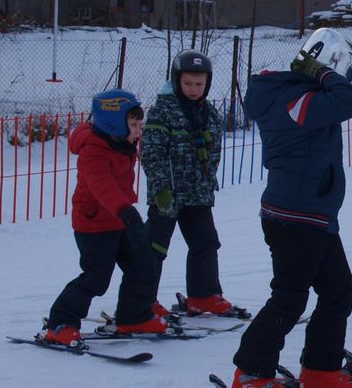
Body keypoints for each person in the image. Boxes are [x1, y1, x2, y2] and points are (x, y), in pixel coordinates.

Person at [228, 29, 352, 388]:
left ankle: (320, 370)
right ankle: (250, 376)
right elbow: (349, 101)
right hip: (295, 216)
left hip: (314, 213)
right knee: (289, 298)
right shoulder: (296, 99)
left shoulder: (296, 95)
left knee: (339, 290)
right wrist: (325, 74)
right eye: (345, 69)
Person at [41, 90, 167, 347]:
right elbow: (103, 187)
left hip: (119, 220)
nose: (138, 131)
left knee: (144, 264)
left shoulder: (121, 142)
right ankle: (60, 323)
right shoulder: (94, 150)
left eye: (139, 125)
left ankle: (134, 317)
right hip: (94, 224)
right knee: (96, 278)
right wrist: (129, 214)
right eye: (133, 125)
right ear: (114, 123)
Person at [142, 49, 243, 317]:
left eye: (199, 84)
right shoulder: (163, 112)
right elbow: (152, 153)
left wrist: (208, 179)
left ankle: (204, 295)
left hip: (198, 193)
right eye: (187, 83)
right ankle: (141, 300)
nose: (193, 89)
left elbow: (215, 151)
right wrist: (161, 187)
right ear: (177, 81)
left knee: (206, 243)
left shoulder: (209, 113)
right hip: (168, 194)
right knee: (154, 247)